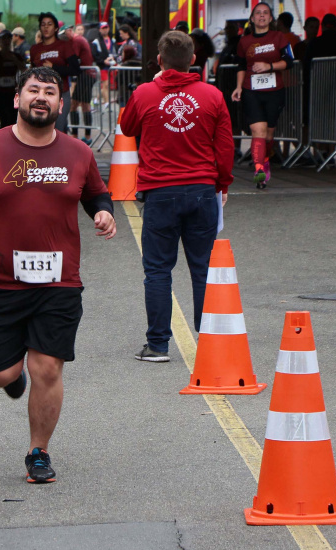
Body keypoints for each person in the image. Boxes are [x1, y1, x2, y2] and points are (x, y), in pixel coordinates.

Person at [0, 67, 116, 484]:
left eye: (50, 92)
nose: (41, 97)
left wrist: (104, 211)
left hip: (59, 282)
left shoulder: (79, 153)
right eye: (33, 90)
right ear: (17, 99)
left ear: (60, 103)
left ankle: (38, 452)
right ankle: (11, 376)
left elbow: (95, 193)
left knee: (48, 368)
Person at [120, 30, 233, 363]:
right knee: (203, 269)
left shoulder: (144, 93)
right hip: (201, 190)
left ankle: (157, 344)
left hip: (160, 192)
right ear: (193, 61)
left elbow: (127, 127)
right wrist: (222, 184)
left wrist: (152, 85)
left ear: (159, 60)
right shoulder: (212, 96)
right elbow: (224, 148)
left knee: (157, 270)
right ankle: (210, 343)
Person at [231, 2, 292, 188]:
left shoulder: (279, 37)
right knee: (258, 131)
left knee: (268, 134)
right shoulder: (244, 41)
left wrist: (269, 66)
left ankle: (264, 160)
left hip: (275, 91)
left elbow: (289, 61)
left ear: (271, 18)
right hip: (251, 91)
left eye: (266, 13)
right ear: (252, 18)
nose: (262, 16)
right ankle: (259, 170)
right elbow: (241, 66)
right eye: (258, 13)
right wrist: (239, 87)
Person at [30, 13, 80, 132]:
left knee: (58, 130)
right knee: (42, 130)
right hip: (41, 95)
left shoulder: (64, 46)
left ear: (56, 28)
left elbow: (75, 69)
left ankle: (63, 149)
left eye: (49, 24)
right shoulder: (35, 49)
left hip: (61, 94)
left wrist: (54, 67)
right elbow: (32, 70)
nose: (46, 27)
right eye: (43, 25)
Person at [61, 24, 95, 145]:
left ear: (69, 32)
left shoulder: (76, 40)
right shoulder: (78, 39)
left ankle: (78, 135)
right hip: (87, 75)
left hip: (86, 75)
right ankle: (86, 135)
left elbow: (73, 58)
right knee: (84, 105)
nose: (64, 39)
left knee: (75, 105)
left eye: (64, 35)